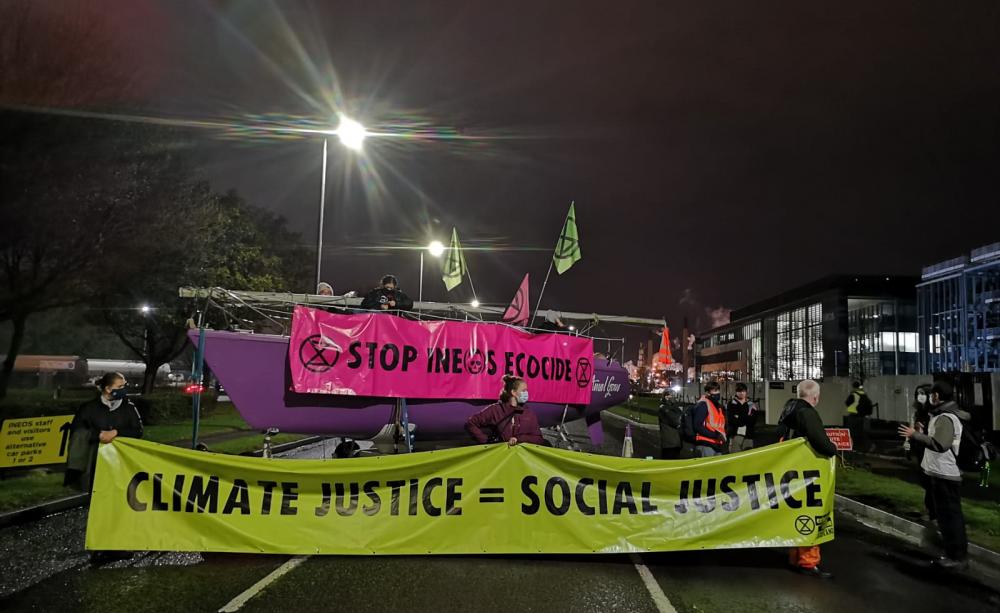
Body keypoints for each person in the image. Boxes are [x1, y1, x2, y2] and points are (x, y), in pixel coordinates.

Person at [898, 381, 970, 570]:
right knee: (947, 518)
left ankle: (958, 557)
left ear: (937, 396)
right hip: (940, 473)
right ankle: (953, 554)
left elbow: (941, 444)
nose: (930, 397)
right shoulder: (941, 415)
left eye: (931, 394)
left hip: (946, 475)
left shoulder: (945, 417)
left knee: (951, 518)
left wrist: (915, 435)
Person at [777, 379, 837, 579]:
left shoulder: (789, 410)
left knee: (797, 514)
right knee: (810, 513)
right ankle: (809, 561)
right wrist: (832, 449)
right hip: (806, 473)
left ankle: (796, 557)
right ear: (815, 396)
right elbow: (821, 442)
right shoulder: (807, 413)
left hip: (790, 471)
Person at [64, 372, 144, 493]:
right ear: (108, 388)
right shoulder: (88, 408)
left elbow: (138, 431)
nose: (124, 390)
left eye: (124, 386)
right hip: (93, 463)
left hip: (120, 464)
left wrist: (117, 432)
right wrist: (98, 435)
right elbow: (78, 431)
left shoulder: (129, 408)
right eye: (120, 387)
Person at [465, 375, 545, 446]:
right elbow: (471, 423)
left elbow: (538, 439)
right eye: (523, 391)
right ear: (513, 392)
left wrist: (518, 439)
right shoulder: (495, 410)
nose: (526, 393)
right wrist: (486, 441)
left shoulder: (528, 413)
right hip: (500, 458)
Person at [691, 381, 726, 457]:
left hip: (717, 443)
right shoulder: (703, 404)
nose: (717, 393)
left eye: (718, 390)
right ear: (707, 393)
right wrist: (715, 435)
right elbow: (697, 426)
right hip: (706, 443)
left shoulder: (718, 406)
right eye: (714, 391)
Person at [726, 382, 757, 453]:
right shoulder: (731, 404)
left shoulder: (751, 404)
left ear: (746, 391)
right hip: (735, 434)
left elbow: (753, 420)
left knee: (748, 457)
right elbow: (731, 420)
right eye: (739, 391)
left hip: (749, 435)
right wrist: (747, 417)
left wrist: (739, 416)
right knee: (735, 456)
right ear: (736, 392)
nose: (741, 393)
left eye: (743, 391)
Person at [844, 381, 873, 452]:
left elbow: (847, 402)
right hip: (862, 417)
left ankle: (852, 447)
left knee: (851, 432)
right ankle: (864, 447)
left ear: (853, 386)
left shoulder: (853, 394)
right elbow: (869, 405)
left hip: (853, 416)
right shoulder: (864, 394)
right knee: (862, 432)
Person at [657, 393, 683, 459]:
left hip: (676, 442)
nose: (673, 397)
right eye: (671, 395)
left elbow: (682, 416)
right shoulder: (663, 409)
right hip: (669, 443)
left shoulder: (672, 407)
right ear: (666, 397)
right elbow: (676, 420)